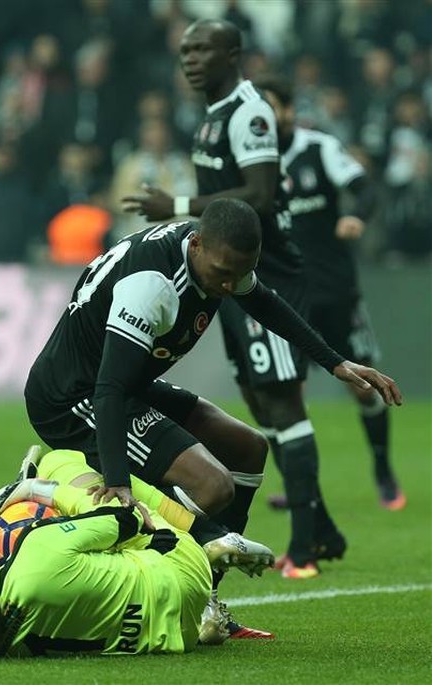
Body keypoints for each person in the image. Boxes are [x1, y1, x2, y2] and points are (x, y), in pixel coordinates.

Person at [24, 196, 401, 634]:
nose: (229, 286)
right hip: (74, 398)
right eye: (223, 275)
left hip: (126, 382)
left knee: (248, 447)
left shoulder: (220, 258)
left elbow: (264, 302)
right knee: (212, 485)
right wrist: (118, 481)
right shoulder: (153, 287)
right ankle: (103, 557)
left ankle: (205, 602)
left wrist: (336, 363)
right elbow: (108, 390)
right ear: (197, 244)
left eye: (239, 274)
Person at [120, 20, 398, 579]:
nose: (191, 59)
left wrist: (177, 200)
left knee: (281, 407)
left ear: (233, 55)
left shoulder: (249, 112)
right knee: (258, 401)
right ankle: (319, 526)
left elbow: (261, 195)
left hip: (266, 272)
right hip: (230, 276)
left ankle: (303, 548)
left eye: (203, 49)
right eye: (185, 50)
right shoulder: (214, 114)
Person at [253, 74, 405, 511]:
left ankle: (383, 470)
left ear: (287, 110)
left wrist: (356, 216)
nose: (265, 116)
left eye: (273, 107)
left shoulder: (318, 148)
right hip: (283, 299)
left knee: (362, 386)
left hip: (336, 291)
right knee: (286, 396)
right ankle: (303, 491)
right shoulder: (253, 160)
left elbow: (365, 189)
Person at [0, 452, 216, 659]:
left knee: (85, 565)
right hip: (183, 567)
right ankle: (212, 534)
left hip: (179, 634)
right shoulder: (37, 553)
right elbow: (125, 518)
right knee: (63, 462)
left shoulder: (6, 644)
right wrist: (32, 490)